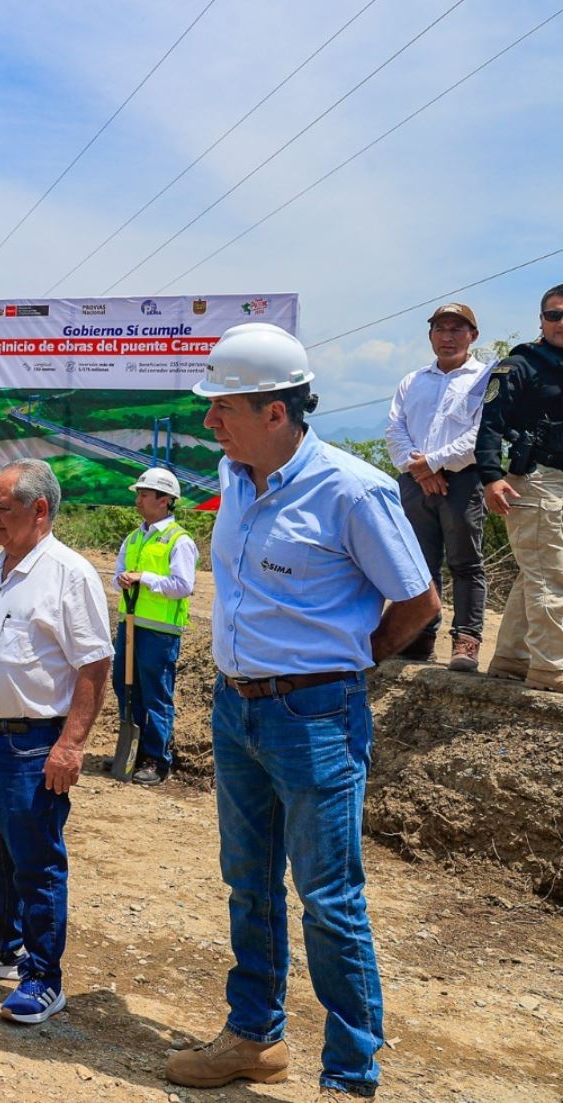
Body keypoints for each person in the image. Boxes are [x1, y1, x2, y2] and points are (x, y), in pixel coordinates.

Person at [166, 323, 437, 1100]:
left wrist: (347, 664)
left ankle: (350, 1076)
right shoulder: (238, 473)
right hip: (236, 708)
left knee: (329, 899)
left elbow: (420, 601)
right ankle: (253, 1037)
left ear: (275, 411)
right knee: (248, 882)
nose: (211, 421)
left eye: (224, 407)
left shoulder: (351, 490)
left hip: (316, 717)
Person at [0, 458, 111, 1024]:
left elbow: (94, 663)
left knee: (36, 862)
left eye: (1, 508)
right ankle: (0, 944)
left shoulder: (68, 574)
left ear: (39, 510)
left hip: (33, 744)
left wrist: (72, 745)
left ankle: (42, 977)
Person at [385, 303, 489, 671]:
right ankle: (419, 637)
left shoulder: (486, 378)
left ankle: (466, 639)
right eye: (440, 329)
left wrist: (432, 463)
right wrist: (420, 470)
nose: (448, 337)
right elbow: (395, 430)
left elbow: (481, 436)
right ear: (430, 336)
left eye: (457, 329)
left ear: (473, 336)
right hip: (414, 481)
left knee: (465, 562)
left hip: (462, 480)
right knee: (417, 563)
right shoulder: (412, 381)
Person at [477, 285, 563, 690]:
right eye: (554, 315)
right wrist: (491, 477)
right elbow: (489, 424)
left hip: (559, 481)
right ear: (541, 320)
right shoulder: (518, 366)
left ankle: (512, 659)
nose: (561, 323)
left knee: (535, 575)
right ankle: (551, 669)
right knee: (552, 575)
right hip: (533, 481)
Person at [111, 466, 198, 784]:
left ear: (165, 500)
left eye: (144, 495)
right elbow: (117, 575)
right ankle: (131, 752)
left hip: (160, 631)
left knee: (155, 694)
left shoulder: (179, 541)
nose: (138, 501)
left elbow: (183, 585)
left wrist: (143, 579)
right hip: (130, 625)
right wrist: (120, 580)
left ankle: (157, 760)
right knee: (124, 686)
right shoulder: (134, 538)